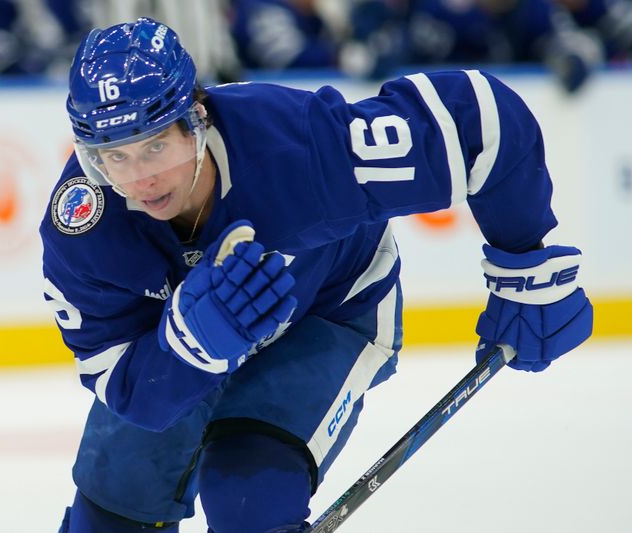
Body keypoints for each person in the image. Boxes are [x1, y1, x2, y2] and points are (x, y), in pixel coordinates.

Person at [40, 17, 593, 533]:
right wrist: (190, 346)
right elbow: (128, 388)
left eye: (156, 145)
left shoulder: (301, 148)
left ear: (196, 120)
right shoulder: (84, 227)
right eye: (113, 156)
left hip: (329, 307)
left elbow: (479, 119)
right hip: (172, 343)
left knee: (249, 497)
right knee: (111, 507)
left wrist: (526, 261)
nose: (140, 178)